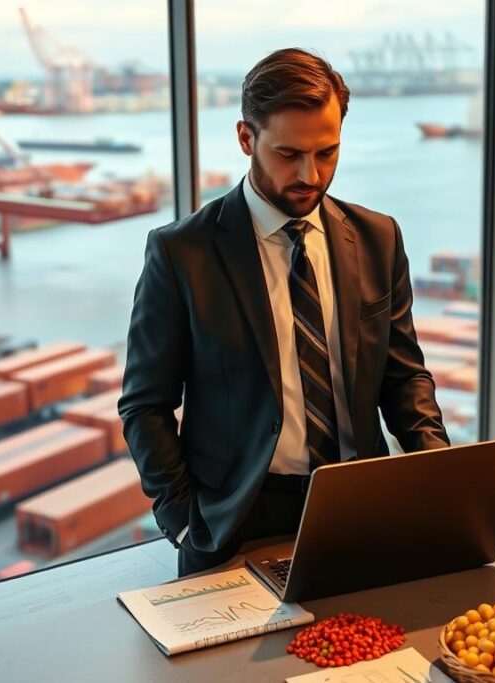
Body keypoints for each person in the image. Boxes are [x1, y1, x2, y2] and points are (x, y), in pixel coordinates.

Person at [119, 48, 449, 577]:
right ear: (246, 138)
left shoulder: (378, 238)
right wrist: (183, 521)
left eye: (327, 153)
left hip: (361, 506)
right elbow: (145, 405)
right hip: (235, 518)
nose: (310, 175)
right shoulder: (181, 253)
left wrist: (438, 476)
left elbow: (404, 376)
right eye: (289, 153)